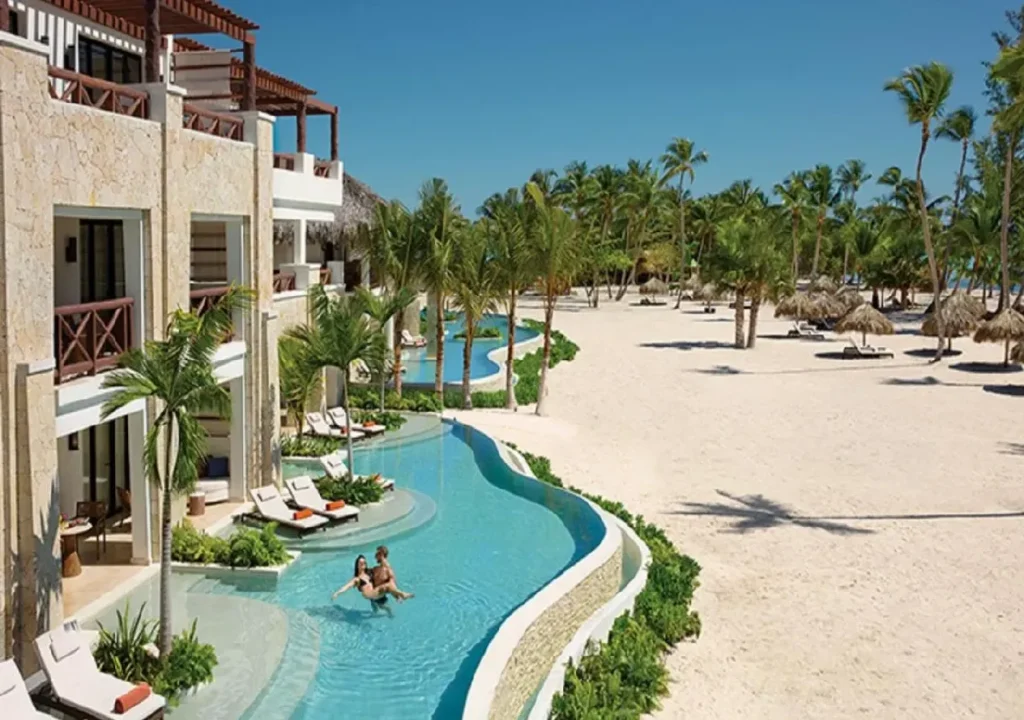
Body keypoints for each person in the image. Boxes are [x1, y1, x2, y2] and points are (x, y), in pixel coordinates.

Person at [331, 553, 412, 610]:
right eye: (360, 562)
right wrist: (337, 593)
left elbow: (382, 571)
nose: (363, 563)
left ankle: (397, 597)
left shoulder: (370, 572)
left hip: (375, 594)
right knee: (387, 587)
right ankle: (402, 595)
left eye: (364, 561)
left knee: (382, 608)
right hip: (370, 595)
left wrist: (382, 559)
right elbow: (347, 586)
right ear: (357, 565)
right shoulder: (357, 579)